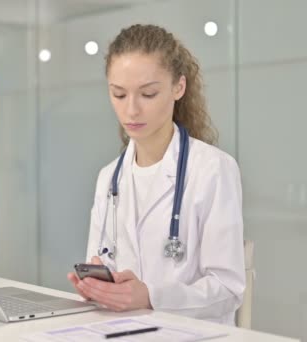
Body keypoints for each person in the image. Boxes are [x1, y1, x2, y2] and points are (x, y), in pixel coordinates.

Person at [67, 24, 245, 325]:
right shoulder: (109, 178)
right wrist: (99, 286)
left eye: (148, 94)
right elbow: (102, 263)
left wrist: (151, 297)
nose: (131, 110)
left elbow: (228, 289)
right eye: (119, 94)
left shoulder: (213, 170)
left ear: (179, 87)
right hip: (122, 330)